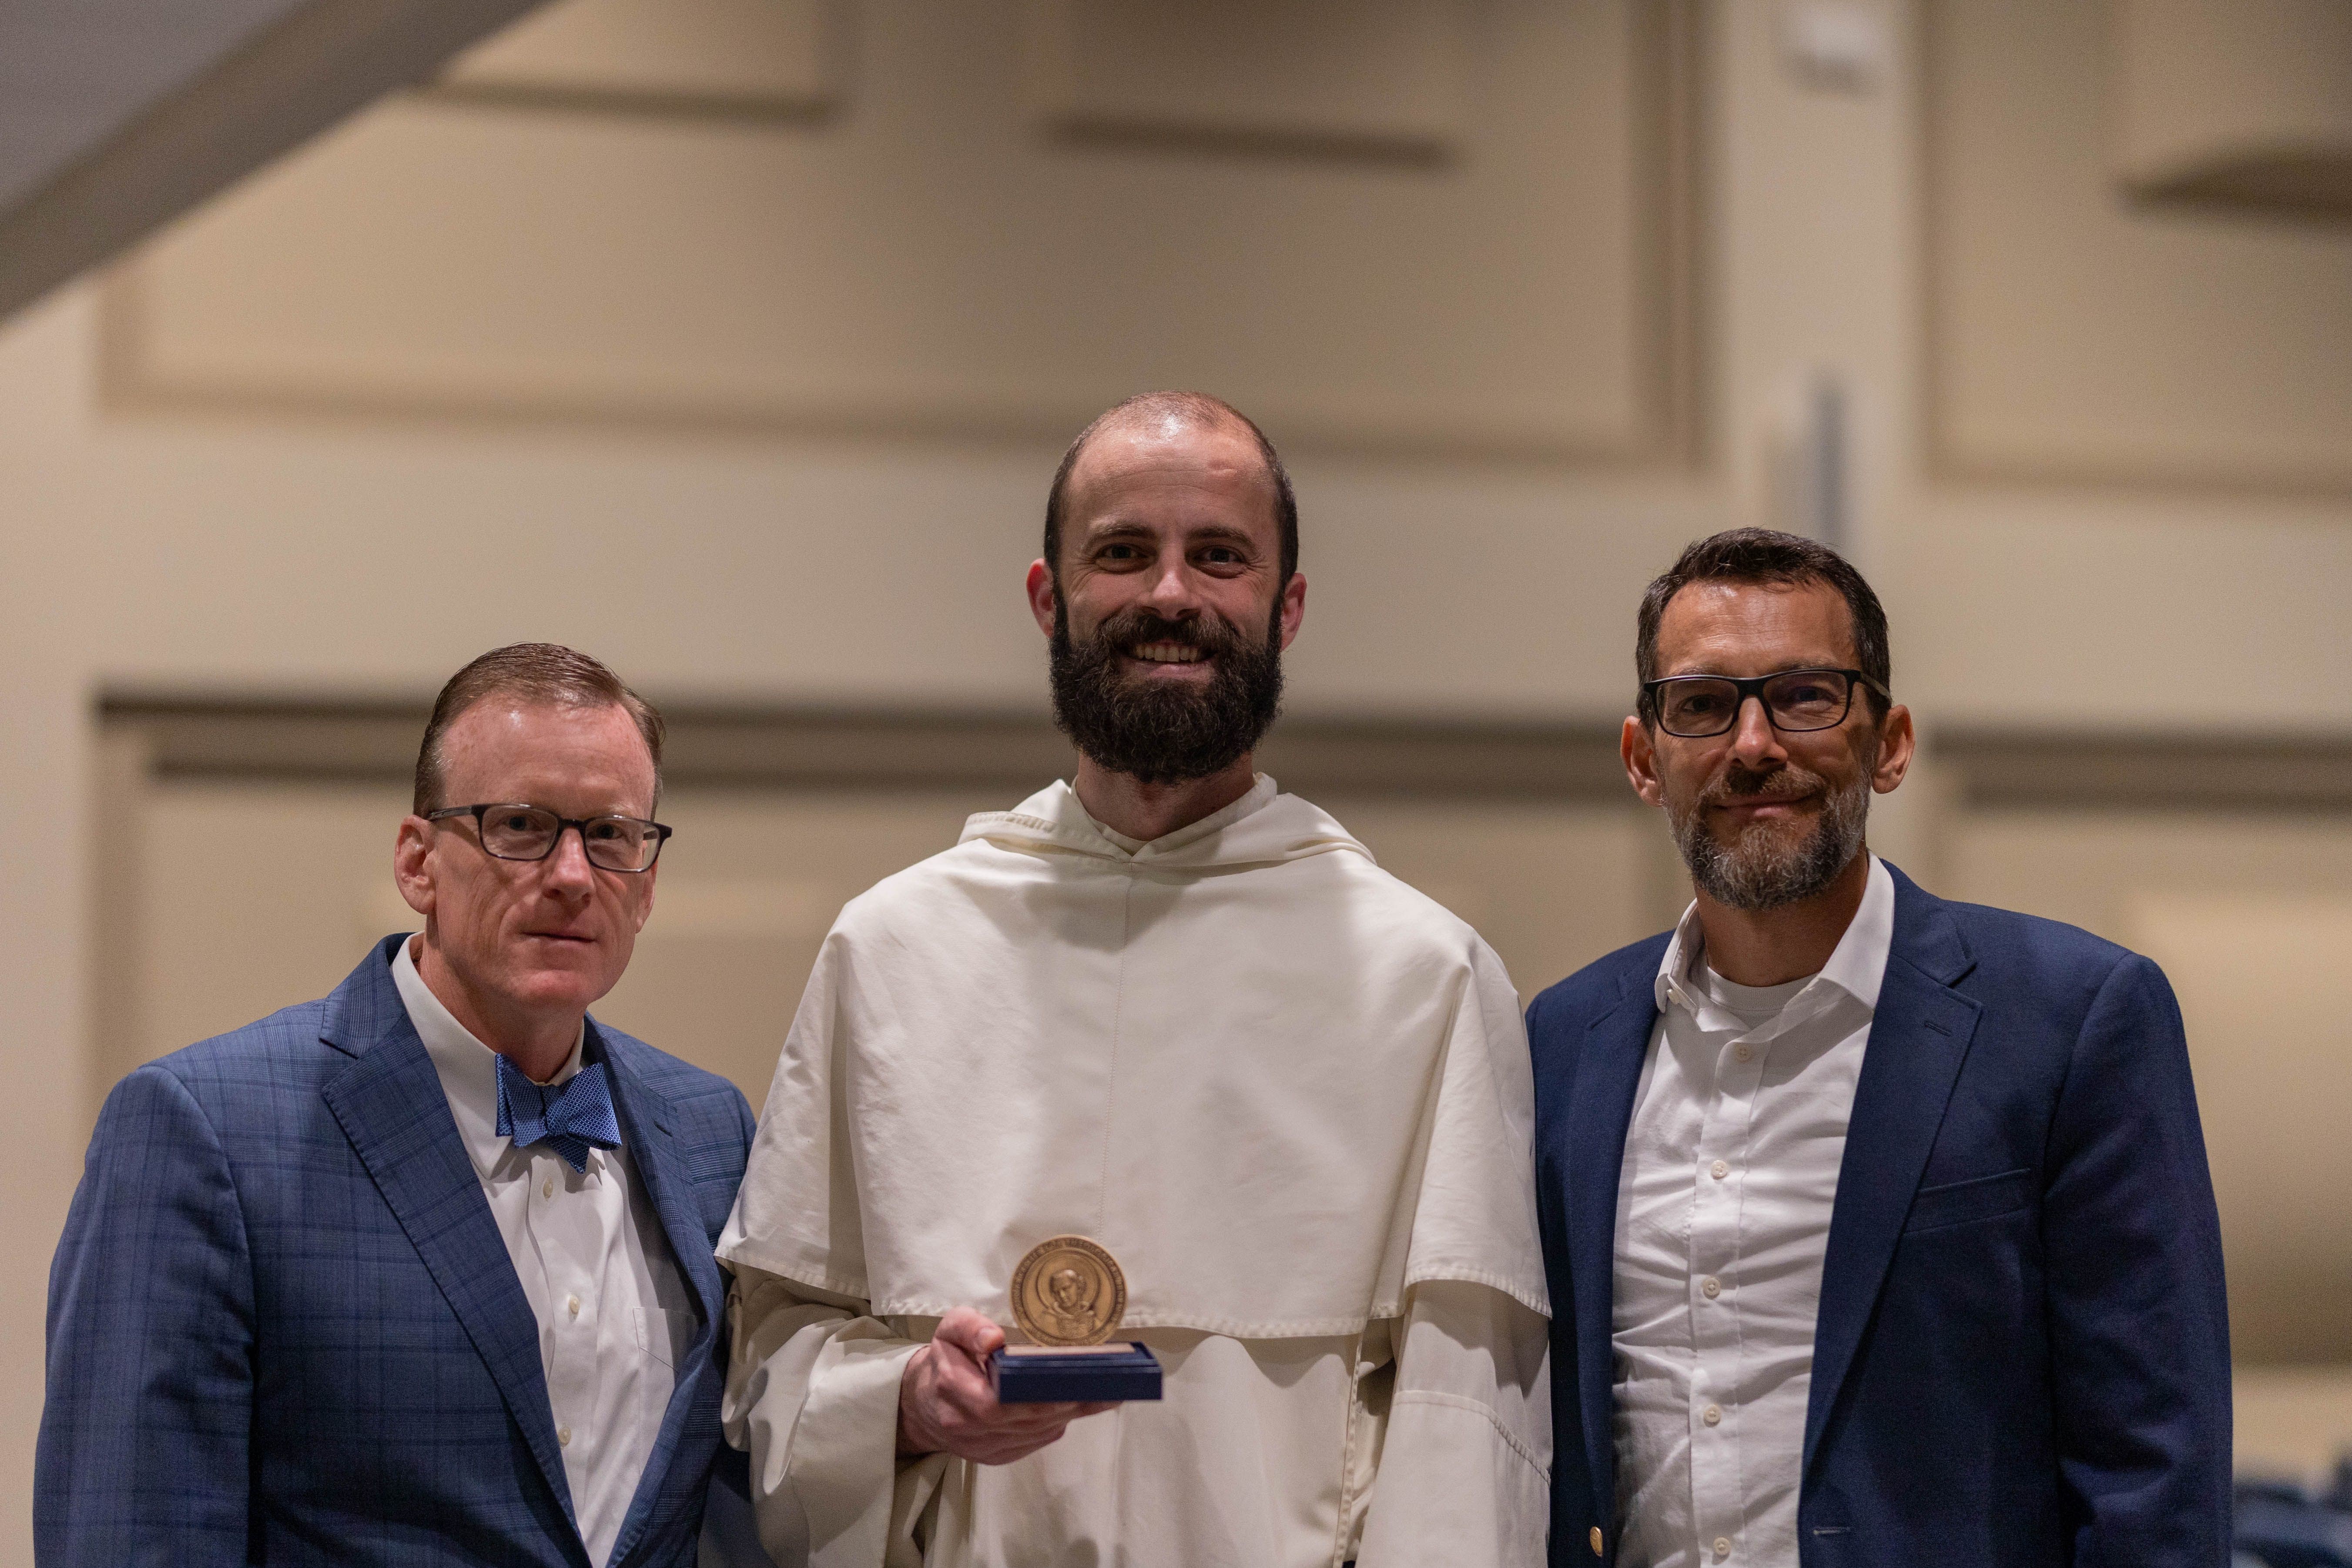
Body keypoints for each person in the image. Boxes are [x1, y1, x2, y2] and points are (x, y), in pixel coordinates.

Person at [717, 392, 1551, 1567]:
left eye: (1219, 555)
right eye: (1121, 553)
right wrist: (902, 1401)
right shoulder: (892, 947)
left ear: (1287, 606)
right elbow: (770, 1368)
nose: (1170, 595)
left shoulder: (1421, 975)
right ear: (1046, 599)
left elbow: (1465, 1433)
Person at [1525, 530, 2231, 1567]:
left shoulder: (2078, 1020)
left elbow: (2155, 1480)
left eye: (1807, 694)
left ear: (1890, 742)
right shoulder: (1560, 1038)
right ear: (1645, 756)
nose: (1755, 743)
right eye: (1704, 703)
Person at [38, 643, 761, 1568]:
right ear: (419, 862)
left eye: (612, 835)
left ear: (647, 881)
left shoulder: (711, 1131)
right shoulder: (203, 1129)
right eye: (522, 824)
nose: (575, 874)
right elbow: (130, 1536)